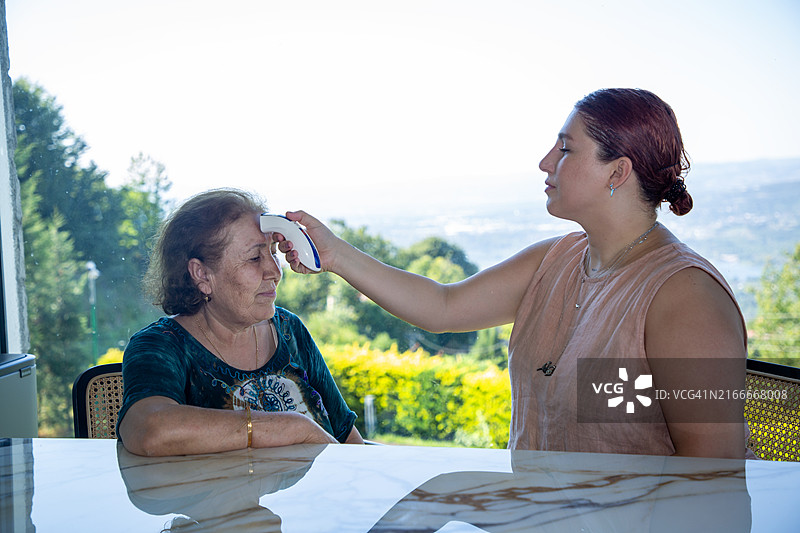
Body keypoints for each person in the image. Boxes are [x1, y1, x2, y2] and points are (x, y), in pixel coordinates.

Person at [279, 88, 748, 459]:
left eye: (566, 148)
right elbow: (443, 306)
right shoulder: (555, 260)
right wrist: (334, 254)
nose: (546, 162)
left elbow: (713, 475)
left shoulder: (685, 296)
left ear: (617, 172)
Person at [118, 189, 364, 456]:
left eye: (273, 253)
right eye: (254, 258)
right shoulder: (161, 346)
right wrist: (291, 428)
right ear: (202, 274)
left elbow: (348, 438)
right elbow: (149, 431)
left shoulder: (289, 329)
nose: (275, 271)